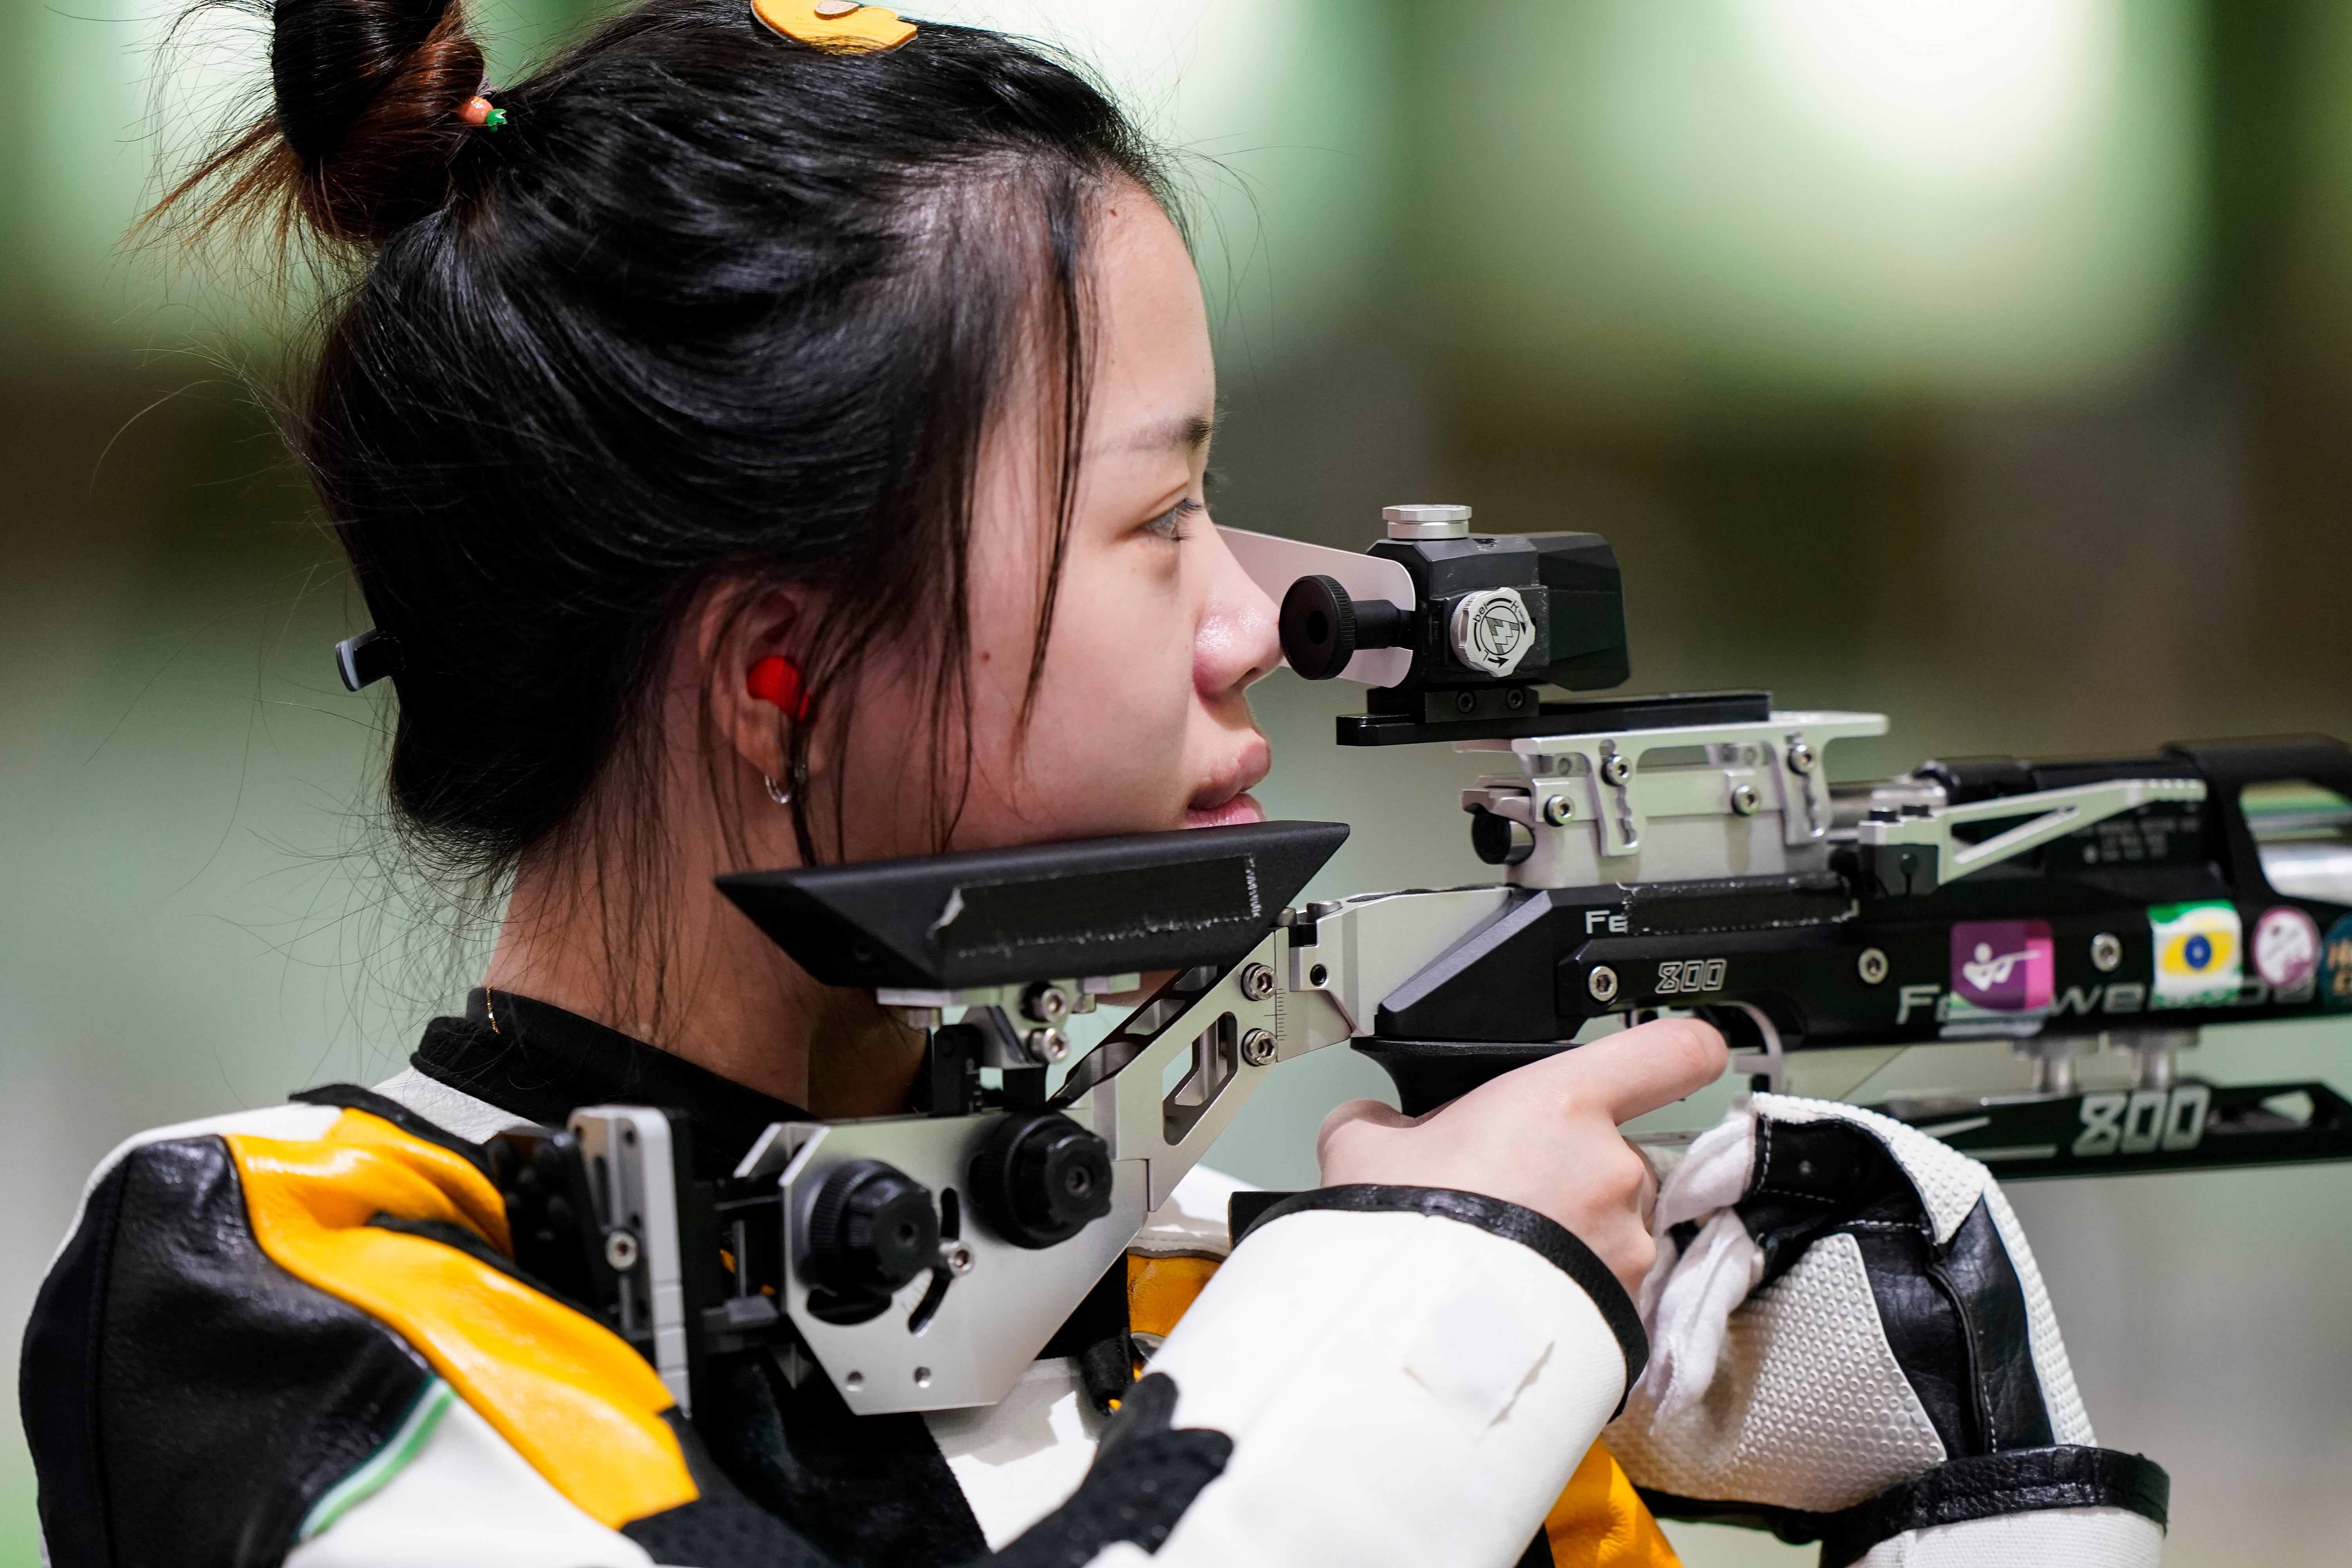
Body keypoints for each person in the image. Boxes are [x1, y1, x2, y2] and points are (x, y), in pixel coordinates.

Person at [17, 4, 2169, 1566]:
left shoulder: (1190, 1311)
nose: (1250, 620)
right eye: (1158, 526)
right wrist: (1438, 1323)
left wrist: (1972, 1467)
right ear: (779, 669)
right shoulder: (266, 1294)